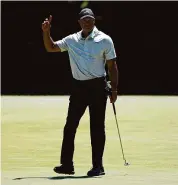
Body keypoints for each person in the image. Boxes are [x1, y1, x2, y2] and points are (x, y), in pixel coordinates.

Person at [42, 8, 118, 176]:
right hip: (79, 88)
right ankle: (67, 165)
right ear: (79, 22)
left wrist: (114, 89)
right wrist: (46, 32)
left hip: (98, 87)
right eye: (84, 19)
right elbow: (51, 47)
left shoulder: (105, 40)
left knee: (97, 127)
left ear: (94, 21)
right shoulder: (72, 39)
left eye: (90, 19)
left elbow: (112, 66)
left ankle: (98, 166)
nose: (87, 22)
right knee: (70, 126)